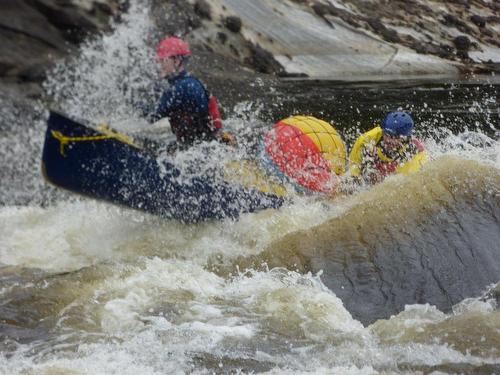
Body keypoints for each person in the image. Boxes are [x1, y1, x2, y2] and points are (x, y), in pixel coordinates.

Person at [146, 36, 229, 150]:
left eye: (162, 60)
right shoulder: (183, 82)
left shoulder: (184, 87)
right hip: (198, 146)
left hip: (203, 150)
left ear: (177, 61)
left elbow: (150, 116)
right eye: (157, 60)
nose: (158, 64)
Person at [347, 111, 425, 185]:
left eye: (396, 137)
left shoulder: (415, 152)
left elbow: (401, 183)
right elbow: (353, 169)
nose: (389, 140)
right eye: (387, 135)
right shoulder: (366, 140)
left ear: (406, 138)